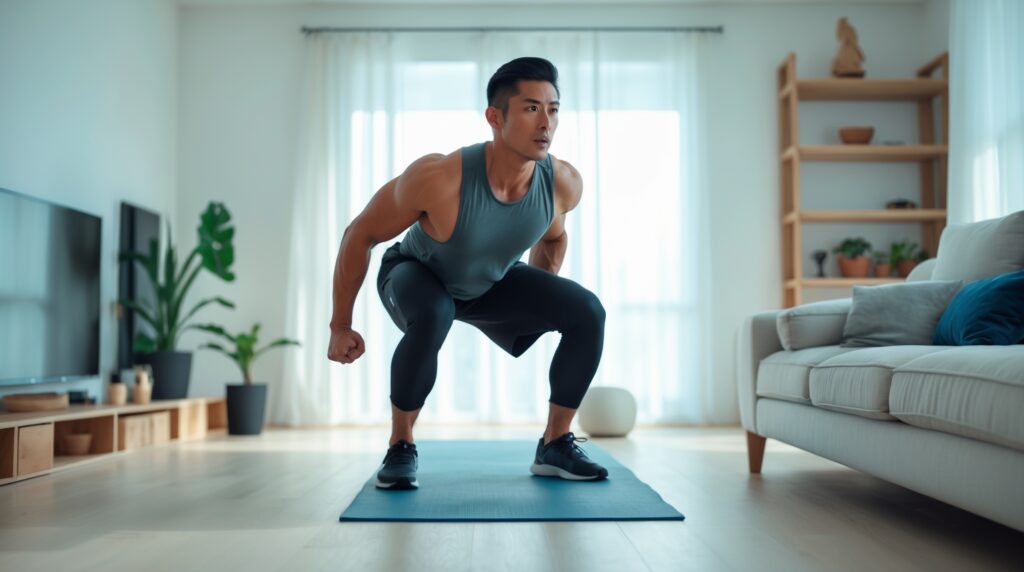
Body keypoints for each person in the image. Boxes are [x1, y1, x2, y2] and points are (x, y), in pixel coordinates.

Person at [327, 57, 608, 490]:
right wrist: (340, 325)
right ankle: (401, 444)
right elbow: (359, 233)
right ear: (495, 117)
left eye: (553, 109)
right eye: (532, 108)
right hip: (415, 273)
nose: (546, 123)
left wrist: (538, 300)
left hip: (489, 282)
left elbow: (553, 238)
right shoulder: (440, 177)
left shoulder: (562, 183)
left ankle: (555, 442)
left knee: (587, 311)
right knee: (436, 312)